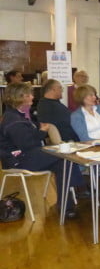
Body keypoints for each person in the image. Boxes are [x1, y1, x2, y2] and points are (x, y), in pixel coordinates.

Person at [0, 83, 84, 217]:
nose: (32, 97)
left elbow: (31, 134)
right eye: (29, 95)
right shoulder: (13, 121)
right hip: (19, 160)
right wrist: (42, 131)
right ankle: (77, 191)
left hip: (28, 155)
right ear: (19, 98)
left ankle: (66, 206)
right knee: (65, 157)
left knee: (63, 162)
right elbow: (28, 145)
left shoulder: (18, 114)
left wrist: (39, 128)